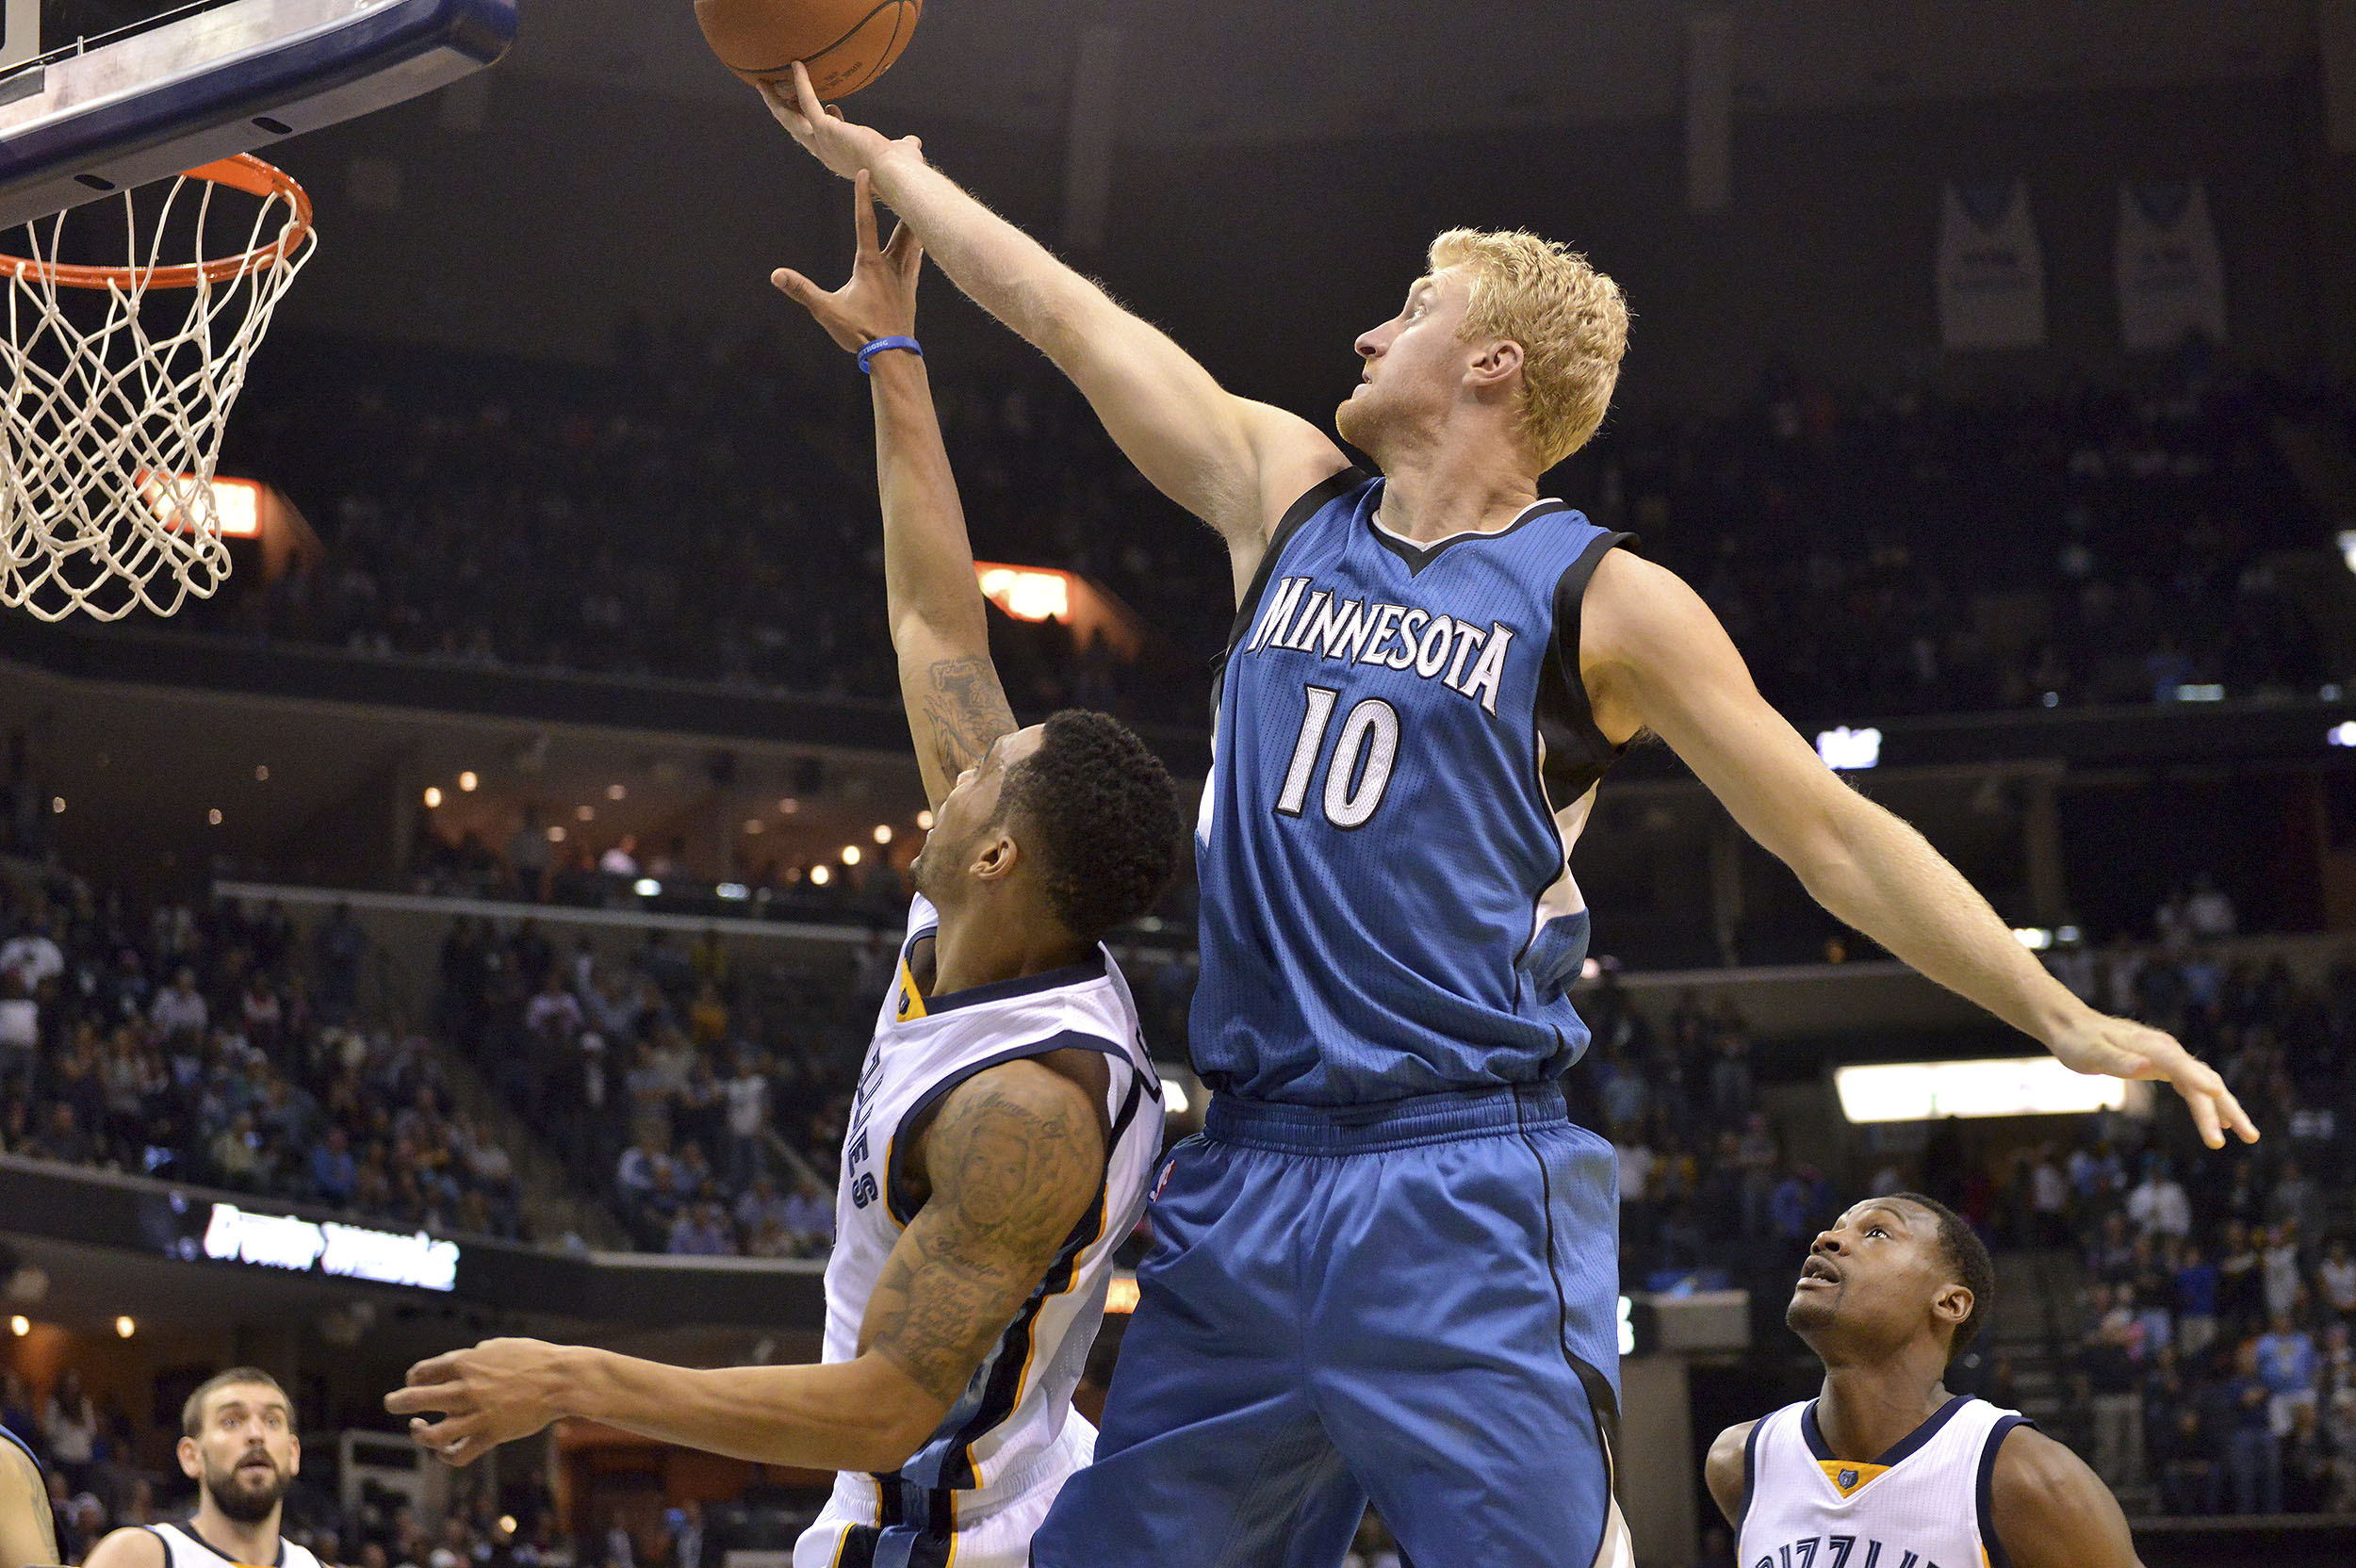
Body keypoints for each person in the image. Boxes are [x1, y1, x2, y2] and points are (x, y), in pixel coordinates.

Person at [761, 60, 2256, 1568]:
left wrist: (2058, 1014)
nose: (1366, 327)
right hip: (1246, 1171)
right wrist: (889, 167)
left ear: (1492, 363)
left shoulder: (1604, 601)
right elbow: (1075, 324)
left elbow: (1832, 836)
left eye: (1409, 304)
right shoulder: (1286, 496)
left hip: (1456, 1181)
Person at [385, 179, 1187, 1568]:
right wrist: (894, 358)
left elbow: (882, 1412)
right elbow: (939, 618)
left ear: (1000, 852)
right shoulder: (1005, 894)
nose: (957, 766)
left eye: (987, 774)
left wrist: (574, 1380)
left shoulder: (1027, 1113)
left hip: (955, 1526)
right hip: (970, 1483)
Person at [1705, 1195, 2141, 1567]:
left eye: (1877, 1233)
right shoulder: (1740, 1463)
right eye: (1836, 1228)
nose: (1826, 1239)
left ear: (1950, 1302)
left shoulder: (2025, 1477)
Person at [81, 1368, 323, 1568]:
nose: (256, 1435)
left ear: (293, 1453)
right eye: (231, 1421)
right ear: (191, 1457)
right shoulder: (138, 1556)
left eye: (272, 1421)